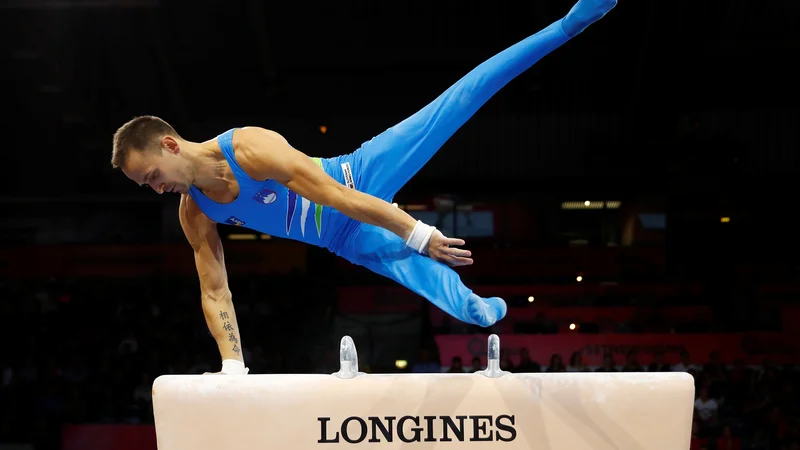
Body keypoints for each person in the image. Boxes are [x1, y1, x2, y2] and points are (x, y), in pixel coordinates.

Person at [110, 0, 617, 375]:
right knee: (462, 308)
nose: (154, 189)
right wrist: (232, 366)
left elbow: (338, 197)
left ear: (170, 145)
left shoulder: (249, 149)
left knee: (459, 100)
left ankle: (573, 22)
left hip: (357, 176)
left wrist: (417, 232)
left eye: (150, 176)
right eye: (144, 185)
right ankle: (481, 308)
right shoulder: (194, 213)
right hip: (345, 239)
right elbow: (214, 289)